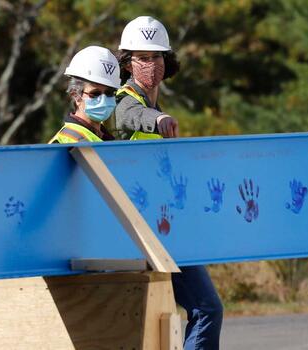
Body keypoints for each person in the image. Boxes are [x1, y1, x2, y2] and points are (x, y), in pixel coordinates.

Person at [114, 16, 224, 349]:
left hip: (164, 227)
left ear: (167, 60)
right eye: (142, 58)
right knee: (206, 308)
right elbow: (129, 116)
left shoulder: (152, 102)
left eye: (156, 57)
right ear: (127, 62)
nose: (151, 65)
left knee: (199, 311)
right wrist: (156, 119)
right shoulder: (123, 100)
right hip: (143, 232)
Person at [49, 46, 120, 144]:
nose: (103, 99)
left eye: (109, 93)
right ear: (76, 95)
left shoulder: (104, 137)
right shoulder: (69, 141)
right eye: (95, 93)